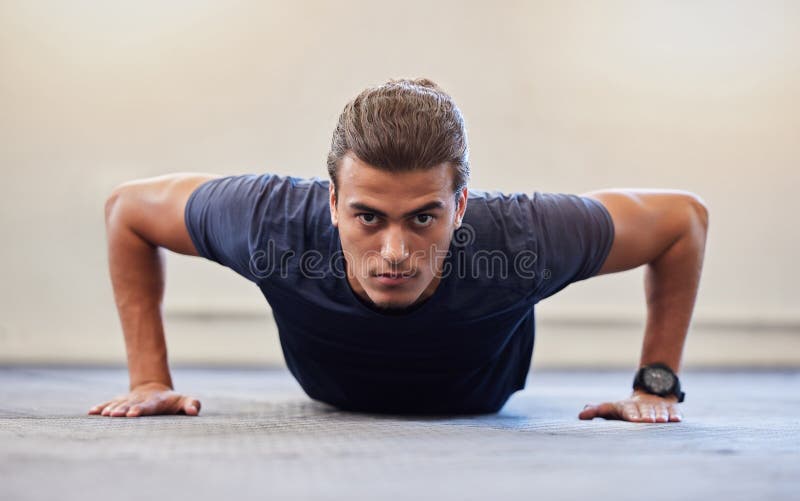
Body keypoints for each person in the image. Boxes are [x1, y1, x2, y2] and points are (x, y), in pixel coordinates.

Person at [90, 78, 709, 423]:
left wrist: (655, 386)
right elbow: (128, 212)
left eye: (423, 218)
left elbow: (682, 221)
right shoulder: (269, 224)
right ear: (332, 202)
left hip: (478, 397)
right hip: (331, 390)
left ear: (460, 206)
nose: (395, 252)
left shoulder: (524, 238)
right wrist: (148, 380)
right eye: (367, 216)